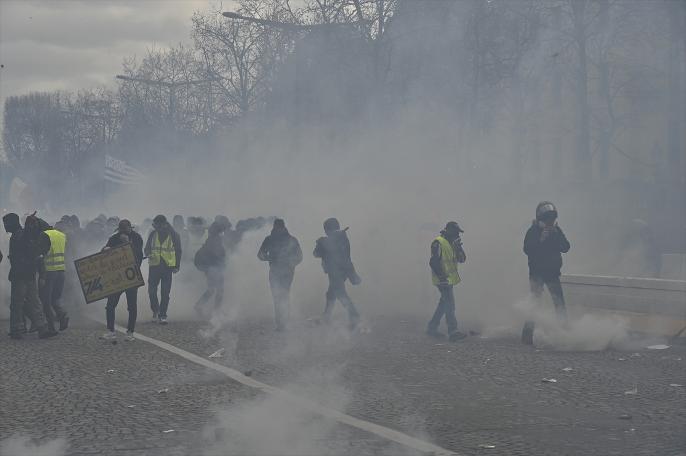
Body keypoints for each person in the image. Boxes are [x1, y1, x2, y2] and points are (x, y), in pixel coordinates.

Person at [521, 201, 571, 345]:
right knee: (535, 304)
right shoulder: (533, 231)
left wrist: (556, 235)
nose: (550, 222)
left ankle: (565, 333)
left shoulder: (557, 230)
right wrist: (541, 239)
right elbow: (527, 249)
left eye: (551, 219)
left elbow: (566, 247)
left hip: (553, 273)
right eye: (547, 219)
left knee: (559, 303)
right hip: (537, 274)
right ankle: (527, 335)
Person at [3, 213, 57, 339]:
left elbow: (27, 254)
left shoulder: (19, 236)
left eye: (6, 223)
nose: (5, 226)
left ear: (13, 223)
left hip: (20, 275)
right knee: (34, 302)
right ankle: (42, 328)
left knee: (17, 303)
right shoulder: (22, 234)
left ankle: (17, 330)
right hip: (29, 274)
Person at [313, 218, 361, 330]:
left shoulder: (331, 240)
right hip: (344, 270)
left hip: (336, 271)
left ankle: (354, 316)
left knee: (341, 294)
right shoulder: (342, 238)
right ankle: (327, 316)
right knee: (331, 293)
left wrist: (320, 242)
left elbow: (316, 253)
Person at [101, 219, 144, 341]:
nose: (123, 232)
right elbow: (104, 251)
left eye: (126, 230)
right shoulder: (114, 238)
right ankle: (110, 331)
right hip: (117, 277)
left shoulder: (137, 238)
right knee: (110, 305)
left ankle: (130, 332)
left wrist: (128, 243)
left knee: (131, 306)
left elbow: (138, 256)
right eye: (122, 230)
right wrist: (105, 249)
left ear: (131, 228)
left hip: (131, 277)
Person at [258, 218, 302, 331]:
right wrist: (269, 258)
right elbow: (260, 255)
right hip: (276, 270)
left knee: (283, 295)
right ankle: (281, 323)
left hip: (286, 271)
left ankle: (284, 322)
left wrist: (290, 263)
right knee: (277, 296)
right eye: (277, 228)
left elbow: (299, 257)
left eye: (279, 228)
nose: (278, 230)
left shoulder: (290, 240)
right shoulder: (270, 239)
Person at [427, 221, 467, 341]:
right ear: (449, 231)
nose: (457, 235)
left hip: (449, 280)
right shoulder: (438, 242)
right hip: (442, 280)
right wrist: (442, 276)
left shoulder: (452, 243)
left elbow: (462, 259)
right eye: (456, 232)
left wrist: (459, 248)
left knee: (444, 304)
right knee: (450, 304)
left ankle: (432, 327)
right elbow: (433, 262)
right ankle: (453, 331)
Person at [144, 215, 182, 324]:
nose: (157, 228)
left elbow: (178, 251)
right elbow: (146, 248)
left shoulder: (174, 235)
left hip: (167, 268)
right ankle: (155, 311)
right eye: (156, 225)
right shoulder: (152, 234)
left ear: (165, 225)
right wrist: (148, 254)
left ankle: (163, 315)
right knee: (151, 292)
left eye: (159, 225)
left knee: (165, 293)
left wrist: (177, 266)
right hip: (154, 267)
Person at [38, 219, 69, 332]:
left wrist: (41, 275)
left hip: (49, 272)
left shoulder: (44, 235)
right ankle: (62, 316)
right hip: (61, 270)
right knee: (55, 298)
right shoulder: (62, 235)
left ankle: (51, 327)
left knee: (45, 300)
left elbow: (41, 254)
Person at [193, 221, 226, 316]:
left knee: (212, 289)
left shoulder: (212, 239)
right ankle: (216, 311)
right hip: (214, 268)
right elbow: (217, 255)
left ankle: (199, 305)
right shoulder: (215, 240)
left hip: (212, 268)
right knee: (219, 290)